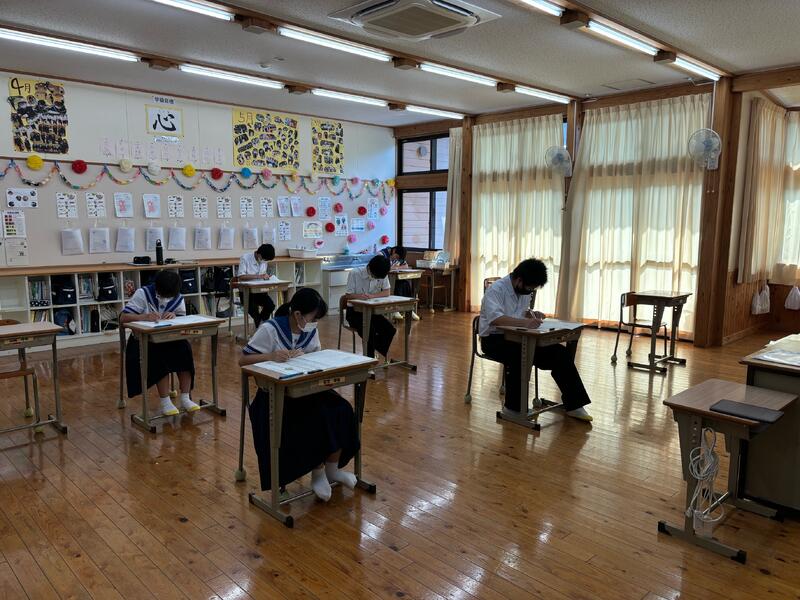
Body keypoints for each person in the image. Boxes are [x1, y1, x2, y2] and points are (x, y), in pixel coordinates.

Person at [239, 287, 359, 501]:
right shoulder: (270, 329)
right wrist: (270, 356)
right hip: (275, 395)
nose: (315, 323)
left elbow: (316, 356)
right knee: (315, 417)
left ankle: (332, 469)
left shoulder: (309, 331)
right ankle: (318, 472)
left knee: (342, 410)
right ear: (297, 315)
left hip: (308, 388)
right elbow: (243, 360)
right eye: (313, 318)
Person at [479, 258, 593, 422]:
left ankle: (575, 404)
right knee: (519, 355)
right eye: (530, 287)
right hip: (494, 340)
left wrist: (531, 314)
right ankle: (513, 408)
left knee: (560, 353)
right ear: (519, 280)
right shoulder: (496, 290)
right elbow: (496, 319)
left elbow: (520, 312)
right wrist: (525, 323)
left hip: (520, 336)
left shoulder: (523, 291)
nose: (530, 291)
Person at [120, 270, 198, 416]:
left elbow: (181, 318)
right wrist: (144, 316)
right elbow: (123, 318)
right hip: (142, 341)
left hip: (169, 338)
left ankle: (185, 398)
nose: (166, 298)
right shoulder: (143, 294)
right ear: (157, 287)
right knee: (159, 355)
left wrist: (174, 315)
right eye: (164, 295)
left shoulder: (177, 297)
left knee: (185, 350)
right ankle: (165, 402)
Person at [344, 254, 395, 361]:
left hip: (372, 312)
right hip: (354, 312)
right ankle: (369, 360)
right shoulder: (355, 273)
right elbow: (348, 295)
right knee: (369, 331)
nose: (376, 279)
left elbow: (387, 292)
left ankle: (372, 355)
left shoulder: (382, 273)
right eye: (375, 276)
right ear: (370, 268)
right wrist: (360, 297)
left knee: (389, 330)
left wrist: (372, 296)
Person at [238, 243, 276, 328]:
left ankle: (261, 325)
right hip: (247, 293)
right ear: (259, 254)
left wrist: (266, 277)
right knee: (253, 310)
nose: (264, 261)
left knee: (270, 306)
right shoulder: (245, 258)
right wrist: (259, 276)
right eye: (264, 259)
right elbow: (241, 277)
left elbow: (263, 275)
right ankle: (261, 326)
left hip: (260, 292)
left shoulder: (264, 261)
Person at [380, 245, 420, 322]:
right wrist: (394, 267)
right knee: (397, 285)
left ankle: (408, 309)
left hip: (393, 278)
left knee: (405, 284)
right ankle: (395, 309)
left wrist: (395, 267)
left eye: (398, 258)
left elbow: (406, 266)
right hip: (383, 279)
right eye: (396, 256)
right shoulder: (382, 254)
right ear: (394, 251)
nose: (396, 259)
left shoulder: (397, 256)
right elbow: (385, 268)